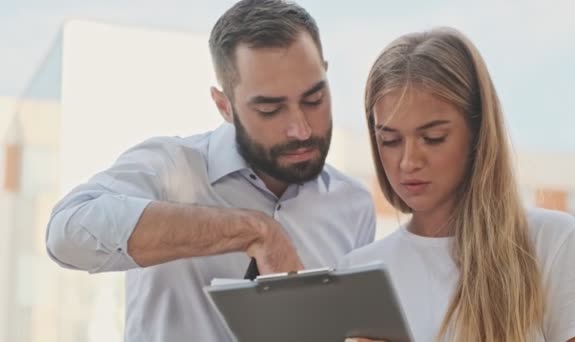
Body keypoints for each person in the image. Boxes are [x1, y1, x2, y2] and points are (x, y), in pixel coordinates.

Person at [45, 1, 376, 341]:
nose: (302, 129)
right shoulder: (169, 167)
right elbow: (65, 233)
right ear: (224, 106)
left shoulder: (355, 205)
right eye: (270, 109)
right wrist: (255, 232)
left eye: (314, 99)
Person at [342, 28, 575, 342]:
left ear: (478, 132)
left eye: (433, 138)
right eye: (390, 140)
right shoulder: (358, 273)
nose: (408, 161)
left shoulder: (555, 242)